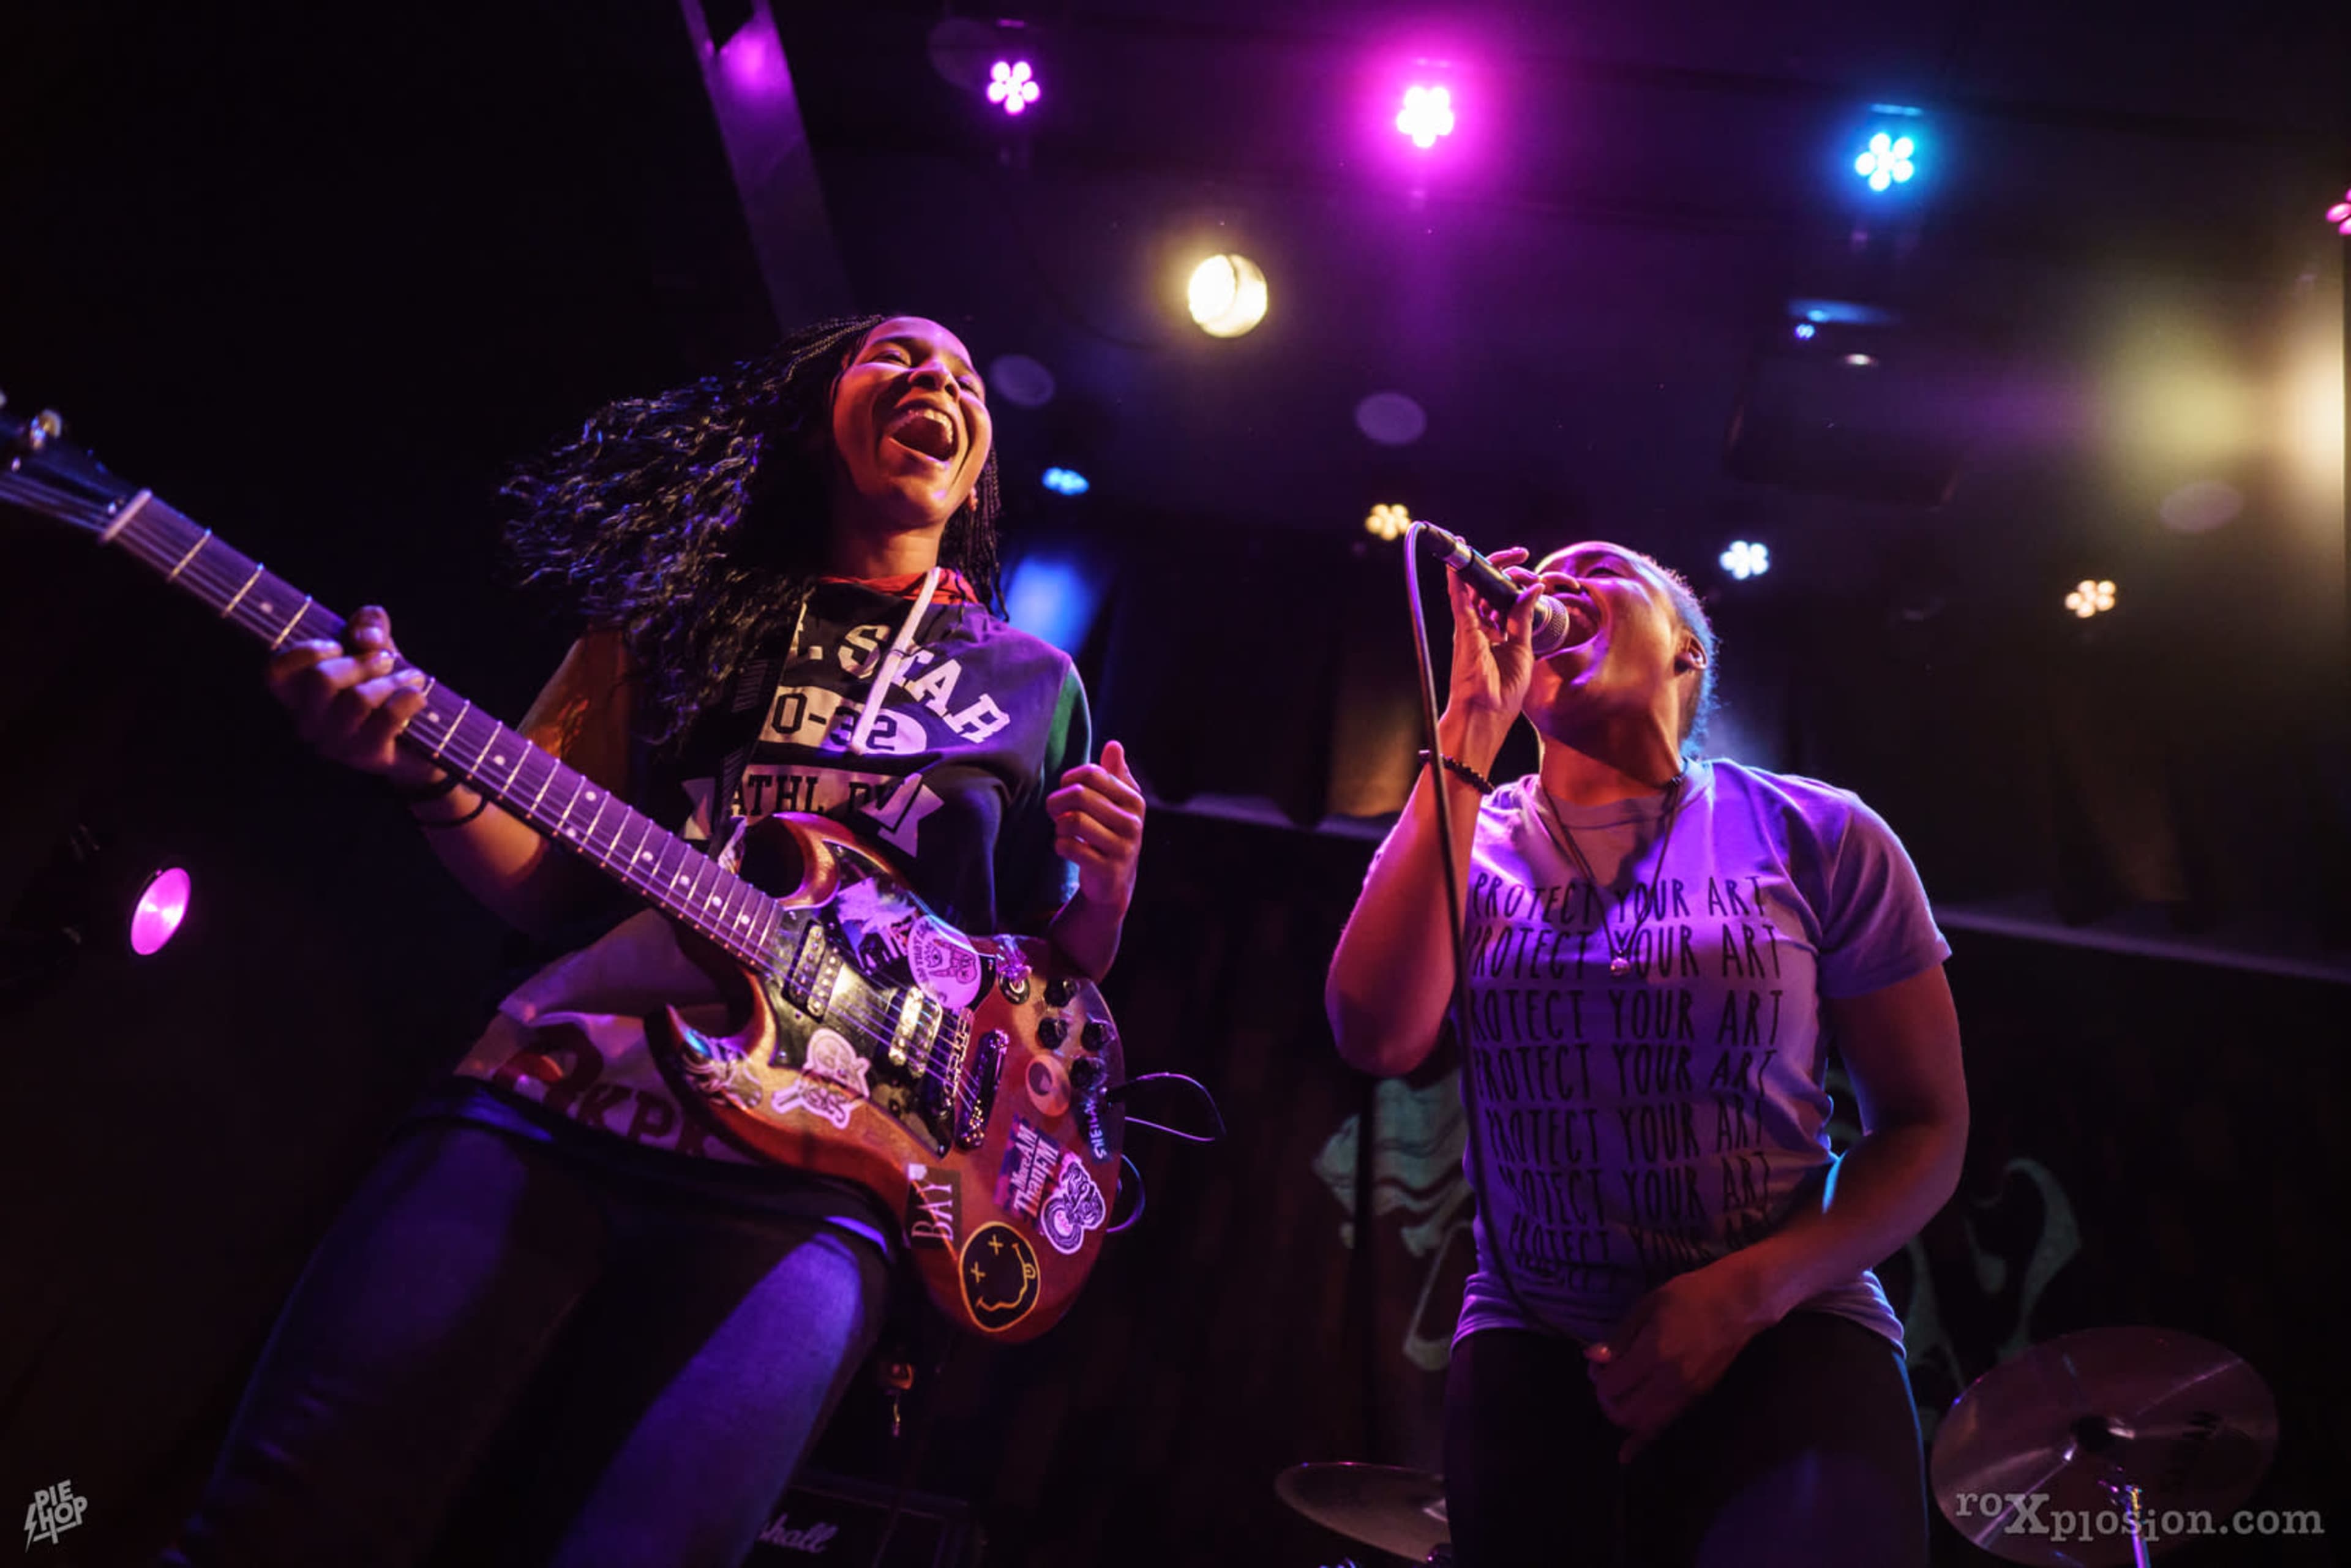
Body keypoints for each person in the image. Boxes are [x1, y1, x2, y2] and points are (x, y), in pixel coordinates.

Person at [162, 314, 1146, 1567]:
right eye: (894, 357)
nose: (934, 379)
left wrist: (1105, 899)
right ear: (812, 418)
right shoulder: (669, 616)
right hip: (561, 1099)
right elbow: (544, 887)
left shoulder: (1033, 682)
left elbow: (1039, 990)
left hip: (819, 1190)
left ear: (976, 468)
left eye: (961, 377)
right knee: (282, 1527)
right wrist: (415, 771)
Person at [1325, 541, 1966, 1567]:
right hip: (1537, 1352)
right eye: (1545, 575)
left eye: (1598, 569)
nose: (1552, 588)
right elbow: (1377, 1032)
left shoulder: (1818, 832)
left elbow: (1929, 1127)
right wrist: (1468, 731)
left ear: (1686, 652)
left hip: (1789, 1334)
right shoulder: (1471, 832)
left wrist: (1747, 1292)